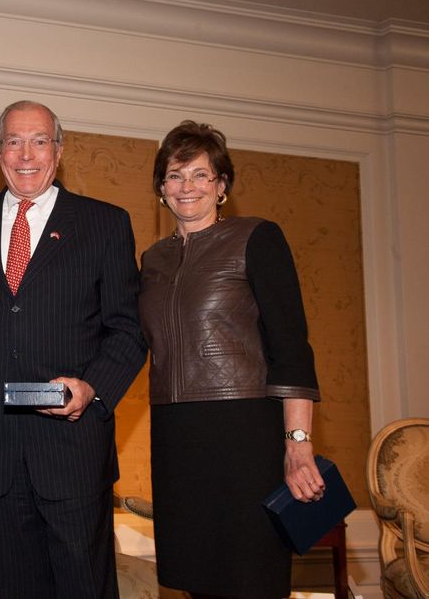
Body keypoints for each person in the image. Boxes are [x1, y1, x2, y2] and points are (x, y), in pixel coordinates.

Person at [0, 100, 147, 598]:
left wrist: (92, 388)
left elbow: (129, 329)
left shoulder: (104, 224)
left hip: (72, 450)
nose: (26, 154)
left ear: (59, 151)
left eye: (39, 140)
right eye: (13, 141)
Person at [138, 120, 324, 599]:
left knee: (251, 576)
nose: (188, 187)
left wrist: (297, 444)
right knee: (196, 576)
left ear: (222, 186)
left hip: (245, 431)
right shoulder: (151, 260)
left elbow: (291, 348)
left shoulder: (257, 237)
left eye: (201, 175)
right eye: (176, 176)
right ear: (161, 188)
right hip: (176, 434)